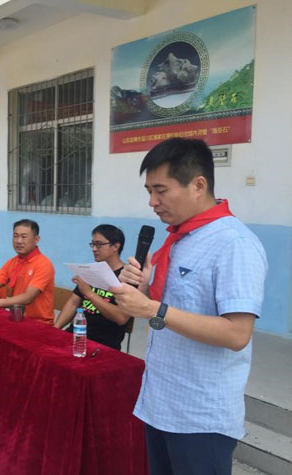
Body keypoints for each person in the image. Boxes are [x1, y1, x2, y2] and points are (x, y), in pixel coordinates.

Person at [111, 138, 267, 475]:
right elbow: (171, 314)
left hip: (200, 417)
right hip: (160, 402)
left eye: (161, 190)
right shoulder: (179, 240)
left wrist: (154, 309)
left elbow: (237, 334)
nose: (152, 202)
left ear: (198, 185)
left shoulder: (234, 244)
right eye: (148, 191)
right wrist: (145, 293)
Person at [54, 225, 132, 349]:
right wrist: (55, 329)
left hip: (102, 345)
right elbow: (73, 302)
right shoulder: (91, 270)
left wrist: (90, 294)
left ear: (116, 246)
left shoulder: (128, 276)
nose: (94, 249)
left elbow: (121, 317)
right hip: (75, 335)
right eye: (93, 244)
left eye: (99, 244)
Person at [0, 219, 55, 324]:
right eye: (15, 236)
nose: (19, 241)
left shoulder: (44, 264)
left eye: (24, 237)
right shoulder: (12, 262)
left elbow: (28, 297)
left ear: (36, 239)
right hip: (16, 317)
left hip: (39, 323)